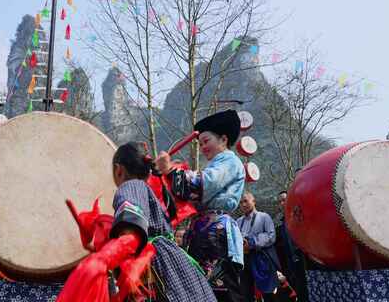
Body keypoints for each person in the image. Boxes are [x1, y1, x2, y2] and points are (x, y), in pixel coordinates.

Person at [57, 142, 217, 302]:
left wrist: (105, 257)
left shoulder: (131, 186)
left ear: (118, 170)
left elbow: (133, 226)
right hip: (174, 262)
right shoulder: (153, 190)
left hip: (156, 262)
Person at [156, 109, 246, 302]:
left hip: (217, 234)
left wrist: (171, 170)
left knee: (220, 291)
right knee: (203, 291)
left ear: (223, 139)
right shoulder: (218, 162)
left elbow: (203, 183)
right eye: (200, 143)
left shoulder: (230, 160)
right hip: (204, 233)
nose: (203, 147)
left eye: (206, 141)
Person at [237, 192, 280, 302]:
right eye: (241, 202)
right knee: (246, 293)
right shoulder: (238, 221)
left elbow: (271, 236)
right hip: (244, 260)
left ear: (254, 201)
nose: (243, 204)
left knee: (268, 292)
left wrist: (251, 243)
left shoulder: (264, 217)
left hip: (261, 258)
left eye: (246, 201)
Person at [275, 191, 309, 302]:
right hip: (291, 264)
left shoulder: (299, 215)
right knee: (299, 291)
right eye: (280, 201)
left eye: (284, 199)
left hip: (305, 260)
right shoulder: (281, 223)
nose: (282, 203)